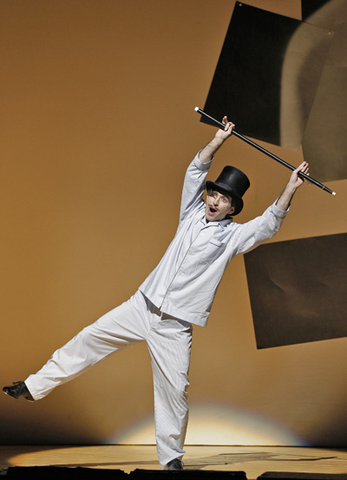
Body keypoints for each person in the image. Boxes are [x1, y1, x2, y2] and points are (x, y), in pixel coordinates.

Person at [3, 117, 309, 470]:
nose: (214, 200)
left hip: (175, 325)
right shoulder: (191, 213)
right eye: (214, 193)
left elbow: (269, 223)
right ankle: (32, 386)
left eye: (224, 198)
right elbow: (196, 170)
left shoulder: (233, 237)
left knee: (174, 392)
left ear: (233, 208)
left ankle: (171, 459)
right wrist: (217, 139)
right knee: (87, 340)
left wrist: (291, 186)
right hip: (142, 306)